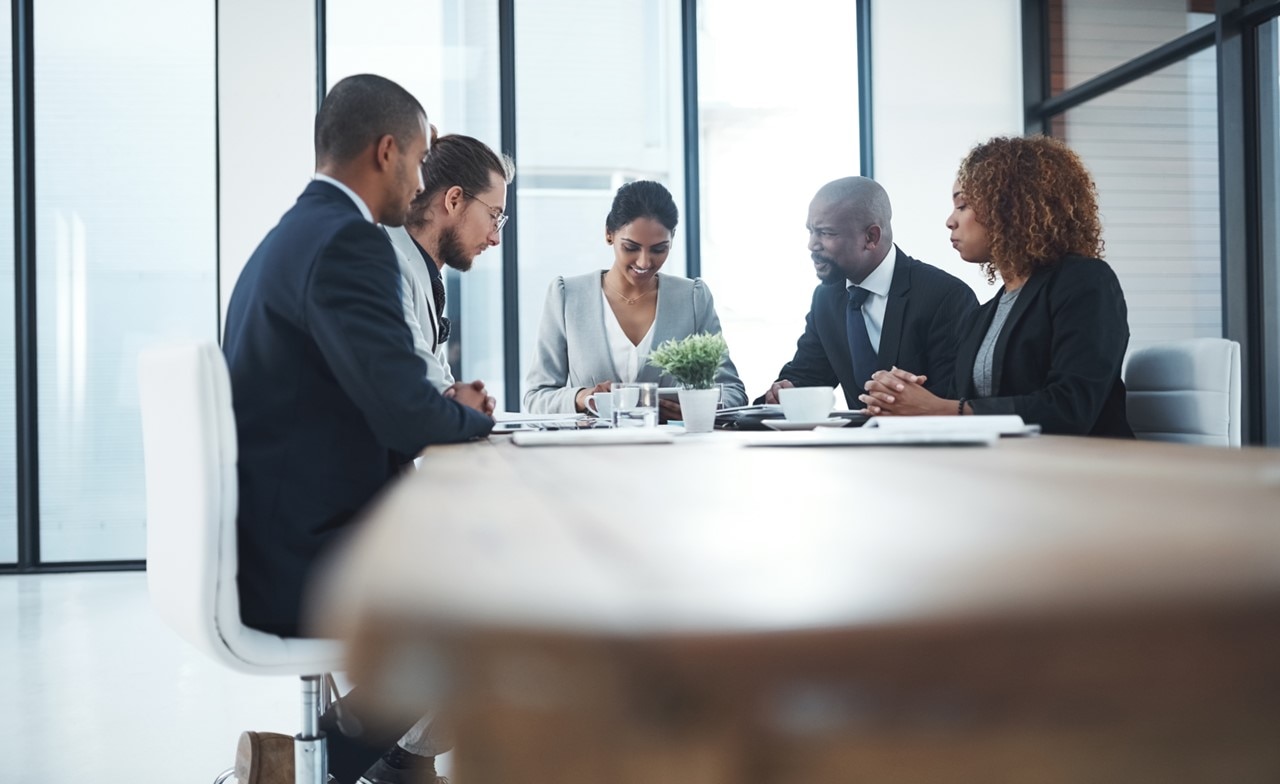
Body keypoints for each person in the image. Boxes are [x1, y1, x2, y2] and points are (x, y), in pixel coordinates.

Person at [223, 74, 491, 784]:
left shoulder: (293, 235)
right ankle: (342, 764)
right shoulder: (351, 243)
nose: (421, 178)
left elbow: (374, 398)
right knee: (509, 594)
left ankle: (343, 762)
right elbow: (405, 410)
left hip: (273, 537)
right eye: (418, 158)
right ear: (386, 152)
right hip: (302, 561)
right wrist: (479, 423)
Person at [859, 135, 1133, 437]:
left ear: (1008, 207)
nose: (950, 220)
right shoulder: (984, 314)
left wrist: (941, 409)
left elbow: (1071, 408)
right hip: (1003, 468)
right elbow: (963, 406)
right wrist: (903, 397)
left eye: (962, 205)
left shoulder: (1084, 281)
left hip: (1083, 471)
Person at [523, 180, 747, 418]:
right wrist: (583, 397)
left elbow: (733, 391)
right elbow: (537, 396)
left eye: (659, 249)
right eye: (631, 247)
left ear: (672, 239)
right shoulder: (568, 296)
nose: (644, 262)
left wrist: (695, 406)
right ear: (609, 234)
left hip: (674, 450)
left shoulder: (692, 298)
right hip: (590, 450)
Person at [756, 177, 977, 408]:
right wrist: (786, 390)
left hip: (922, 442)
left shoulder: (945, 297)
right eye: (811, 231)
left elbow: (953, 398)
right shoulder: (826, 298)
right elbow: (808, 374)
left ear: (871, 237)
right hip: (855, 442)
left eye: (826, 233)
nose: (812, 245)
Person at [383, 133, 514, 397]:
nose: (495, 238)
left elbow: (443, 385)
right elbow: (428, 391)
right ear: (453, 200)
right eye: (494, 216)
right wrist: (462, 405)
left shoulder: (424, 273)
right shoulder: (386, 264)